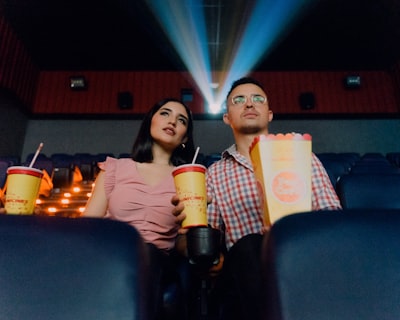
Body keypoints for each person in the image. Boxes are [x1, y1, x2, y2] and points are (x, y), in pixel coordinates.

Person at [172, 77, 342, 320]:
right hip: (244, 270)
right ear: (226, 117)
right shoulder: (215, 173)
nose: (249, 104)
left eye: (257, 99)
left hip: (304, 260)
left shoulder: (303, 156)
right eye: (238, 100)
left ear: (269, 114)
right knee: (251, 244)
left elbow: (331, 219)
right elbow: (207, 237)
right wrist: (191, 234)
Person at [84, 97, 195, 320]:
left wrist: (191, 231)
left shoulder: (188, 179)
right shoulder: (115, 168)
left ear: (184, 137)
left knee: (148, 254)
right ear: (150, 122)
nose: (172, 121)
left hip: (159, 261)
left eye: (181, 120)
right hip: (112, 254)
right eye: (165, 113)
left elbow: (184, 246)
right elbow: (88, 226)